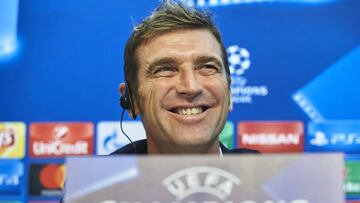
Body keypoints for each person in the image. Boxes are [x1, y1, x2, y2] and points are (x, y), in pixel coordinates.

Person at [112, 0, 258, 155]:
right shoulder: (98, 178)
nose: (191, 87)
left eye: (208, 67)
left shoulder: (272, 177)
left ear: (229, 91)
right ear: (131, 99)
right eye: (166, 69)